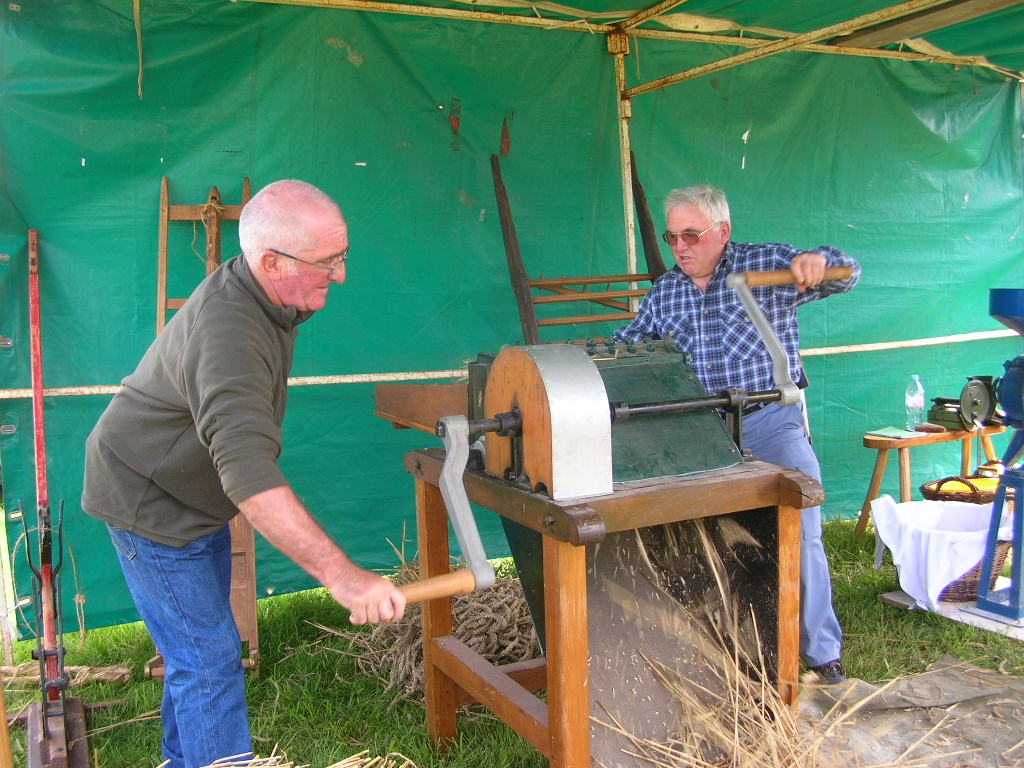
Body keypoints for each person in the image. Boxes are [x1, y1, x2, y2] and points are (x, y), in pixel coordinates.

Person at [82, 179, 407, 767]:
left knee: (202, 652)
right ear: (272, 261)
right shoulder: (228, 330)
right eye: (328, 262)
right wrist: (344, 577)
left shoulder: (267, 292)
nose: (341, 275)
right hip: (149, 498)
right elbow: (249, 476)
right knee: (207, 662)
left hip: (188, 490)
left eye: (343, 255)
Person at [614, 184, 860, 685]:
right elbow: (626, 349)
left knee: (802, 526)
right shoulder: (667, 291)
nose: (679, 246)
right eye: (671, 236)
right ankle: (722, 652)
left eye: (691, 234)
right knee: (699, 536)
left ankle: (820, 654)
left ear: (722, 232)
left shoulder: (765, 264)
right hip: (701, 431)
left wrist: (819, 261)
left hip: (772, 421)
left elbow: (846, 273)